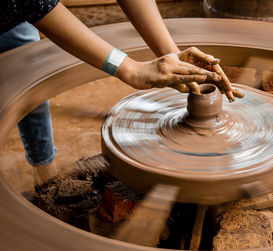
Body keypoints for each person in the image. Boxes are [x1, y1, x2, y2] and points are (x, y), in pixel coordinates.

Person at [0, 0, 238, 187]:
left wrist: (170, 53)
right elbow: (32, 4)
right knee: (11, 92)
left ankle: (44, 168)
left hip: (16, 14)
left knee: (26, 74)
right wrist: (130, 68)